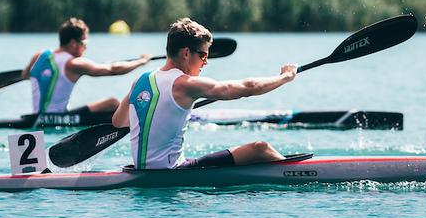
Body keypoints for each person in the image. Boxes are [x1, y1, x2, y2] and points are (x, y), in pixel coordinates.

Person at [112, 17, 296, 169]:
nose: (205, 62)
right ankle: (297, 173)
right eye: (203, 55)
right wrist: (286, 77)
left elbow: (118, 122)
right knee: (259, 149)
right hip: (172, 172)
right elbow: (249, 87)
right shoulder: (185, 84)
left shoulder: (140, 81)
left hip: (140, 171)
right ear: (186, 53)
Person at [25, 18, 151, 114]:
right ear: (74, 43)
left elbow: (25, 75)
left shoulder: (39, 55)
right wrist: (142, 61)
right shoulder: (73, 64)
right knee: (112, 104)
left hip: (36, 116)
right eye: (84, 43)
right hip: (57, 118)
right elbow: (113, 69)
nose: (86, 47)